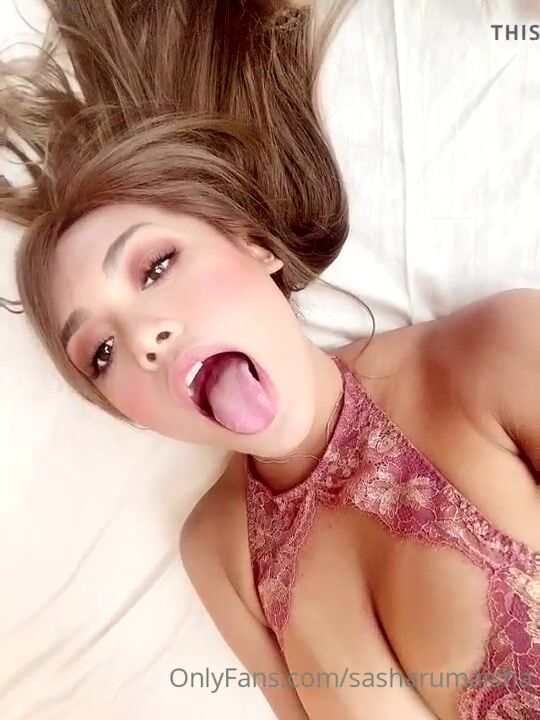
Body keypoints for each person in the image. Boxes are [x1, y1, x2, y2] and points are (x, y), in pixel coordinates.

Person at [0, 1, 538, 718]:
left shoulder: (496, 349)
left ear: (253, 244)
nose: (142, 339)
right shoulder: (222, 554)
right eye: (100, 352)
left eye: (155, 267)